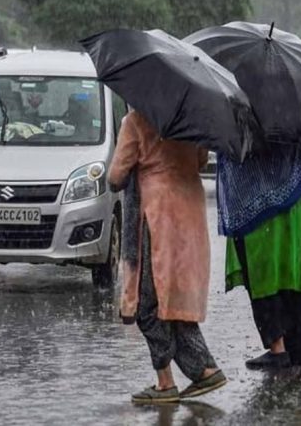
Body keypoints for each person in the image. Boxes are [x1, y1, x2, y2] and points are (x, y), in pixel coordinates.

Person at [109, 110, 226, 404]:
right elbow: (200, 161)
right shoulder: (191, 120)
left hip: (155, 213)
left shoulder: (135, 121)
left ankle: (165, 382)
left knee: (148, 301)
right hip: (188, 210)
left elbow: (115, 176)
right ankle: (204, 369)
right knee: (176, 300)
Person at [219, 144, 301, 369]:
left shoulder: (243, 116)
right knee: (291, 273)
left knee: (263, 278)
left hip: (256, 211)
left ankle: (278, 347)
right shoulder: (294, 115)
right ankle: (297, 346)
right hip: (293, 207)